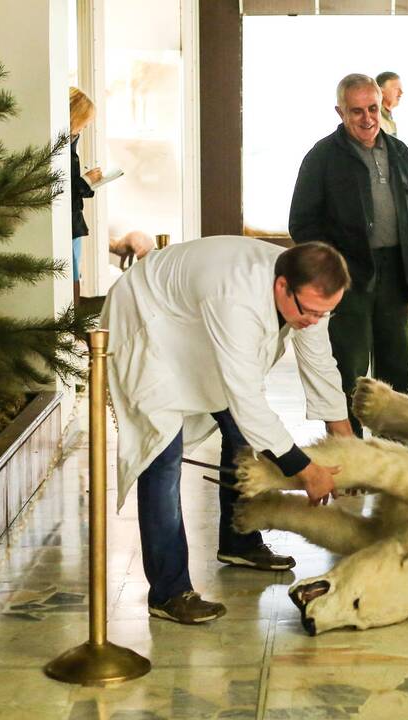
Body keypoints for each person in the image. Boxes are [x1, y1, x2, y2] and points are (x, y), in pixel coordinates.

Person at [101, 238, 354, 624]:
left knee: (241, 438)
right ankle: (169, 591)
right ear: (281, 286)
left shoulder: (308, 291)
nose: (314, 321)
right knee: (162, 456)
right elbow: (247, 401)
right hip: (147, 319)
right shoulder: (236, 298)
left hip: (195, 325)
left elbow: (319, 360)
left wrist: (345, 438)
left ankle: (239, 540)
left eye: (326, 313)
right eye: (310, 312)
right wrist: (306, 470)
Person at [289, 73, 408, 437]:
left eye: (373, 108)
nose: (367, 118)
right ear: (340, 112)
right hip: (347, 278)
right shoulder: (322, 158)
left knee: (398, 367)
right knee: (350, 368)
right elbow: (303, 223)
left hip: (395, 274)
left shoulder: (401, 154)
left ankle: (395, 450)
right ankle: (351, 450)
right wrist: (331, 271)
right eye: (356, 111)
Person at [68, 87, 103, 307]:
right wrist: (87, 181)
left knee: (75, 268)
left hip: (74, 220)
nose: (86, 127)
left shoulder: (70, 143)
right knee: (71, 272)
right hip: (70, 220)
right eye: (85, 121)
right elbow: (65, 187)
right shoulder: (63, 147)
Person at [376, 71, 402, 137]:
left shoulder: (388, 118)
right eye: (396, 89)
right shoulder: (374, 119)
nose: (401, 93)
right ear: (381, 92)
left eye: (400, 89)